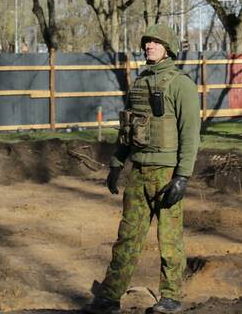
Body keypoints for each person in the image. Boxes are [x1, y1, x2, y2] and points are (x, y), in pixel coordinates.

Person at [83, 23, 201, 314]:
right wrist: (116, 164)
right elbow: (128, 130)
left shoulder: (180, 84)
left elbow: (190, 134)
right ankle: (110, 297)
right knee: (127, 236)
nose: (149, 45)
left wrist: (182, 176)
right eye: (146, 41)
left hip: (166, 173)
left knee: (169, 238)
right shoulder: (138, 84)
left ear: (168, 47)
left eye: (155, 42)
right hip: (138, 171)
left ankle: (171, 297)